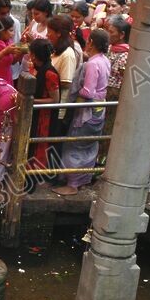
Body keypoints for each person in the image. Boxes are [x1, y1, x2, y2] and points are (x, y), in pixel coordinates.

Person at [54, 29, 111, 196]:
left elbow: (87, 91)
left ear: (91, 42)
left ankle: (72, 183)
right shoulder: (104, 60)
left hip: (88, 110)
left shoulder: (92, 64)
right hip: (99, 109)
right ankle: (83, 178)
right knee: (89, 145)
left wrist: (74, 90)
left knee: (76, 144)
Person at [47, 14, 83, 138]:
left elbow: (66, 81)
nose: (47, 35)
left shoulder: (68, 54)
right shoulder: (56, 50)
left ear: (58, 34)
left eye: (49, 32)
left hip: (58, 106)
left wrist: (46, 80)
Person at [27, 38, 61, 167]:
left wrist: (31, 100)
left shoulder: (50, 73)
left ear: (34, 55)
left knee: (39, 146)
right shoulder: (38, 69)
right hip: (36, 113)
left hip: (44, 117)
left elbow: (55, 99)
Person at [101, 15, 131, 159]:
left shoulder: (125, 55)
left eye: (111, 32)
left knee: (109, 127)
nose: (108, 35)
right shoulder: (110, 49)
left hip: (114, 95)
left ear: (122, 35)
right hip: (104, 92)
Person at [0, 0, 24, 78]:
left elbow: (17, 45)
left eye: (8, 12)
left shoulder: (14, 23)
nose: (6, 16)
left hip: (11, 70)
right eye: (3, 13)